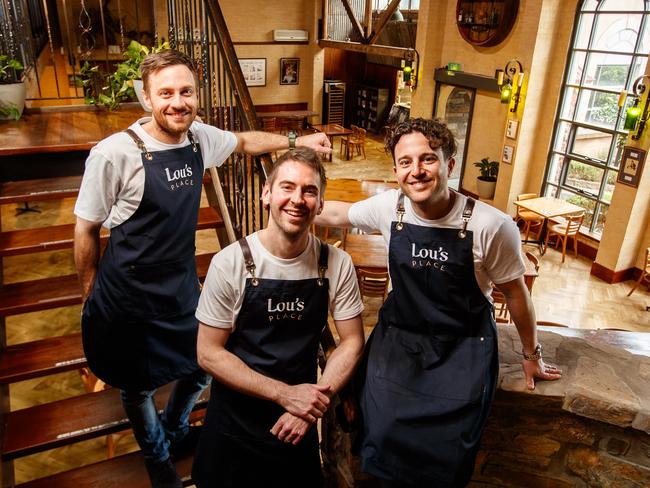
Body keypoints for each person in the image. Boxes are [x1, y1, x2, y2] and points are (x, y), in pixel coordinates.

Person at [73, 49, 331, 488]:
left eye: (186, 92)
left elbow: (245, 142)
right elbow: (86, 230)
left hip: (178, 284)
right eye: (166, 93)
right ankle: (158, 461)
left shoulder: (197, 139)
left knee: (200, 365)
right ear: (147, 98)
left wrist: (296, 143)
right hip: (126, 291)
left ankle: (173, 430)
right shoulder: (114, 153)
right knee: (136, 387)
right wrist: (90, 294)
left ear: (197, 95)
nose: (178, 103)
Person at [314, 118, 563, 487]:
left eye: (427, 159)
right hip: (399, 345)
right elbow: (335, 213)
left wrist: (531, 355)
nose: (416, 171)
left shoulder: (491, 226)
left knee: (447, 458)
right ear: (396, 169)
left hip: (461, 351)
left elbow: (516, 294)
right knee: (381, 438)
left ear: (449, 164)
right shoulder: (390, 208)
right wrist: (291, 203)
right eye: (405, 162)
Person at [191, 147, 365, 487]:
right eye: (287, 187)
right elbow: (208, 353)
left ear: (321, 204)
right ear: (266, 195)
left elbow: (353, 341)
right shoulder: (231, 263)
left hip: (296, 429)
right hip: (233, 429)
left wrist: (314, 401)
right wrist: (286, 395)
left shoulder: (335, 263)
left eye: (309, 190)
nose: (297, 199)